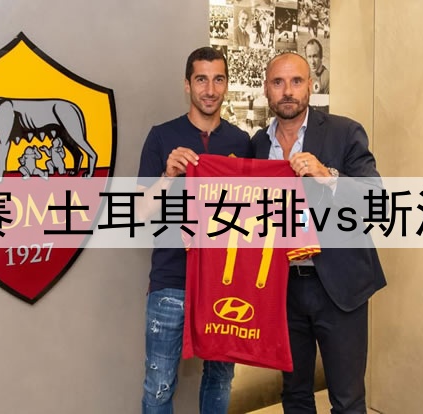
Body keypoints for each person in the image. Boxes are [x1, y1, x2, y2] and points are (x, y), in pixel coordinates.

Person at [250, 52, 386, 413]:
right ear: (266, 89)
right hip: (283, 289)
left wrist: (328, 176)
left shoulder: (344, 132)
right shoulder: (257, 145)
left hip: (339, 286)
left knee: (347, 399)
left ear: (310, 85)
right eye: (278, 82)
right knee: (294, 394)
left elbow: (375, 199)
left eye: (296, 81)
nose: (288, 91)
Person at [136, 46, 252, 414]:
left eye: (218, 79)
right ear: (187, 84)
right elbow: (138, 213)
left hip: (225, 283)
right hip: (172, 280)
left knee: (220, 380)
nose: (210, 90)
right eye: (201, 79)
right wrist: (168, 176)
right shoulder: (161, 137)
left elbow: (254, 216)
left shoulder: (242, 143)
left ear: (227, 84)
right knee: (159, 387)